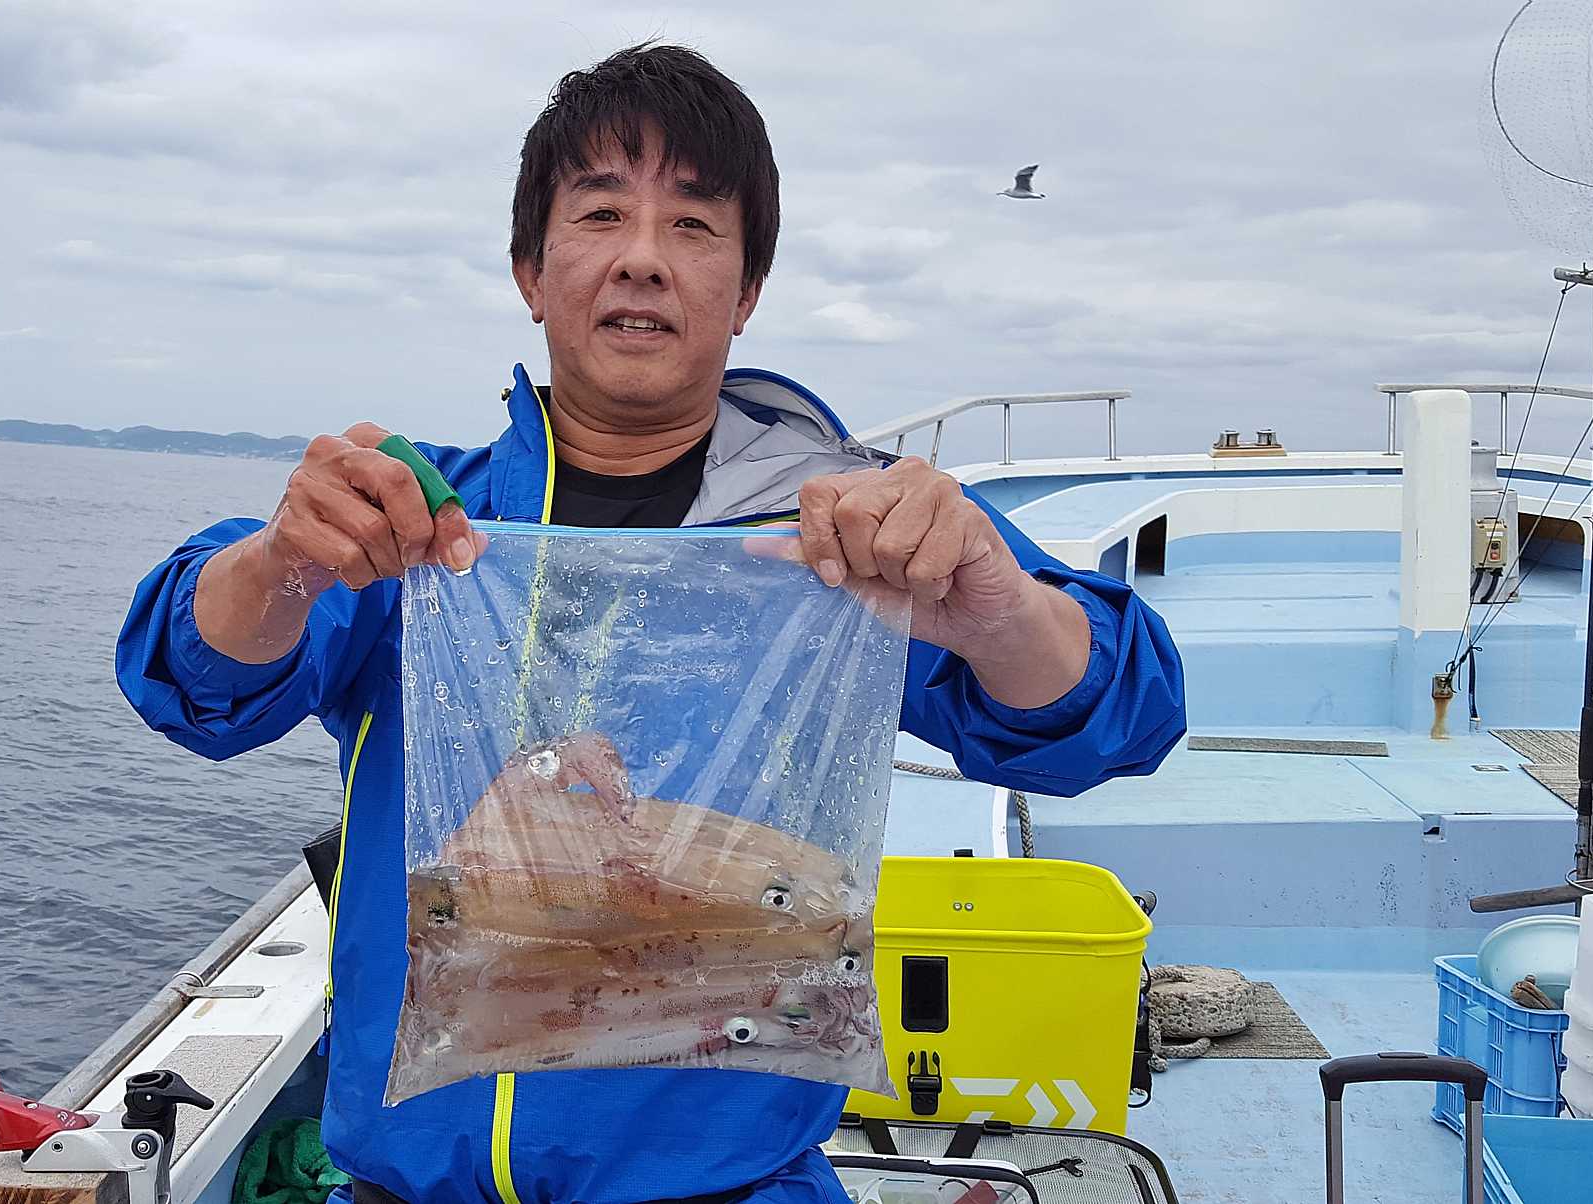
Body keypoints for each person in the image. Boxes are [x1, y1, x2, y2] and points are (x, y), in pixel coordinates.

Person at [117, 42, 1187, 1204]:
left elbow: (1119, 715)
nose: (641, 257)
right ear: (530, 272)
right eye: (599, 213)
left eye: (691, 224)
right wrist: (281, 559)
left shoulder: (844, 537)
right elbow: (193, 684)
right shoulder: (423, 530)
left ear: (745, 290)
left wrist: (998, 613)